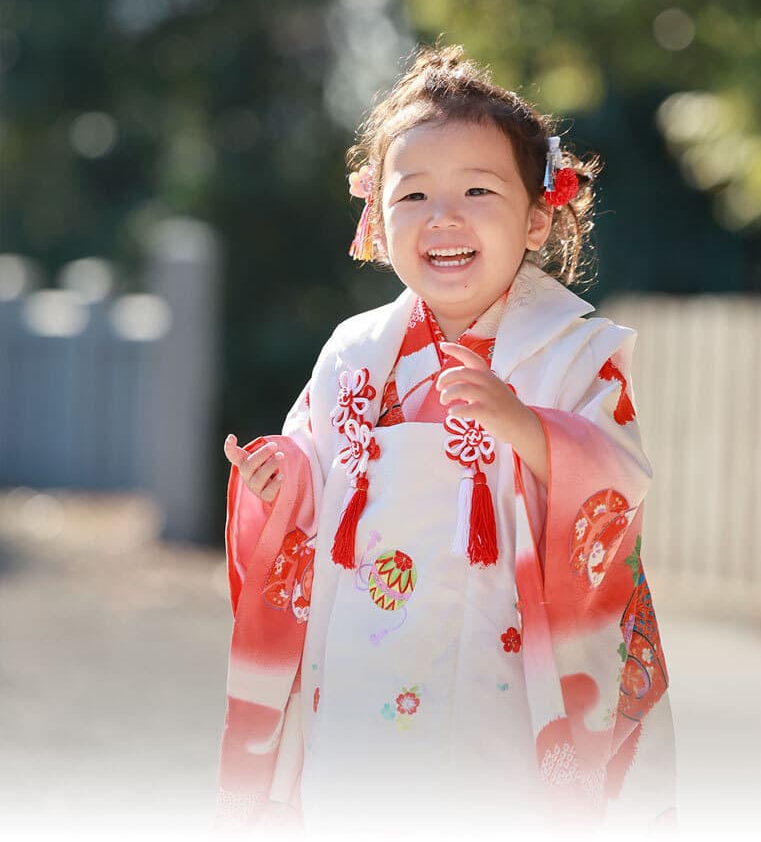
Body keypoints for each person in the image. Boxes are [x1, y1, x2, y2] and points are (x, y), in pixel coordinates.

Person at [216, 42, 676, 840]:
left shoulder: (576, 351)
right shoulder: (353, 353)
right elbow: (316, 478)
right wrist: (284, 478)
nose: (443, 217)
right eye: (414, 194)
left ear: (537, 218)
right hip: (364, 659)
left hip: (505, 664)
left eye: (477, 190)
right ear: (376, 218)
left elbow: (617, 482)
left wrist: (528, 429)